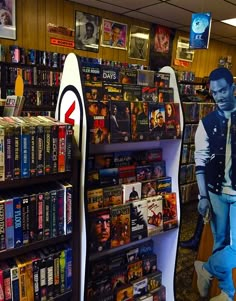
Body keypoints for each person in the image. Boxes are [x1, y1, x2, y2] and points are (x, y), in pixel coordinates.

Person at [194, 67, 236, 301]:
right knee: (220, 242)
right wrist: (202, 196)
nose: (219, 96)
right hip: (216, 192)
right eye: (214, 92)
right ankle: (227, 293)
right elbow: (200, 161)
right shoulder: (206, 123)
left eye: (222, 90)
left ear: (232, 88)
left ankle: (206, 268)